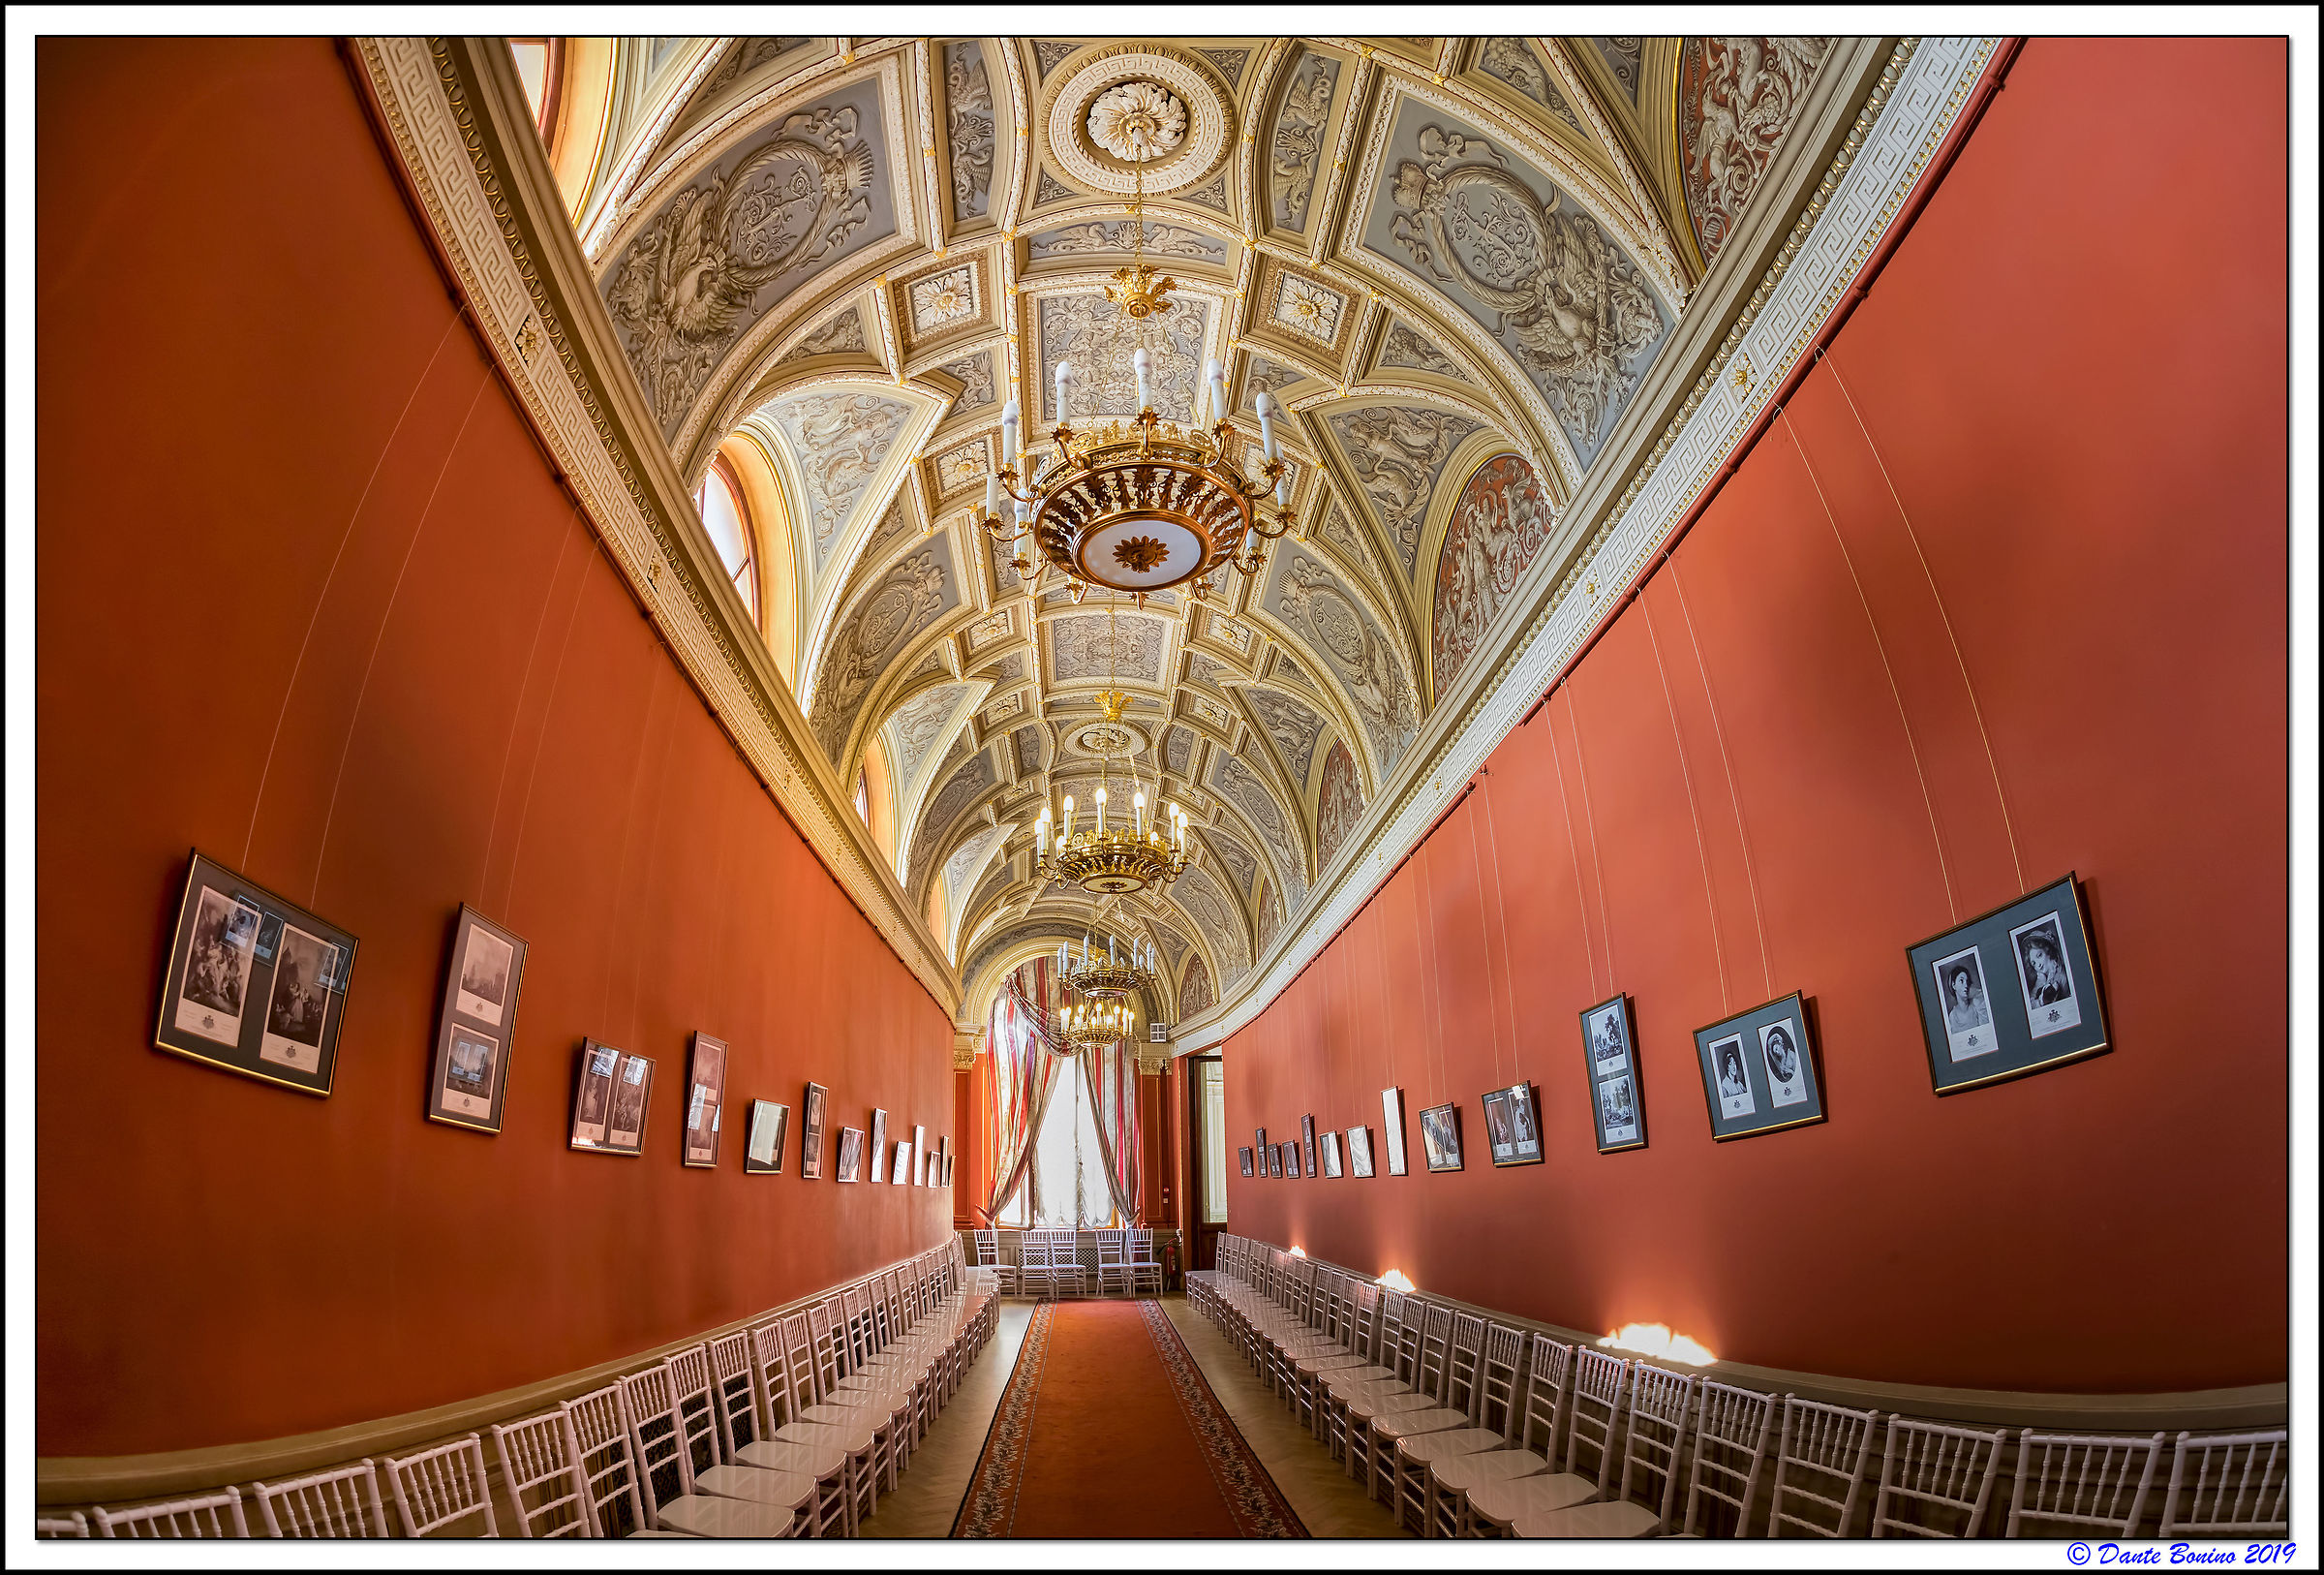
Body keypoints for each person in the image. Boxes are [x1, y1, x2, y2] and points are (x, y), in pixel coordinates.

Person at [2020, 930, 2072, 1005]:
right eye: (2034, 963)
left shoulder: (2062, 975)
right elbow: (2030, 1003)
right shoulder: (2040, 979)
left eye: (2039, 955)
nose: (2038, 965)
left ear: (2048, 951)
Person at [1944, 963, 1990, 1034]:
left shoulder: (1976, 1005)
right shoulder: (1952, 1016)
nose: (1966, 985)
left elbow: (1987, 1030)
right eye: (1961, 981)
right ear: (1954, 985)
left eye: (1967, 981)